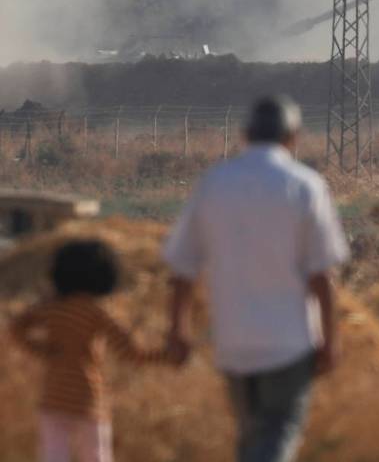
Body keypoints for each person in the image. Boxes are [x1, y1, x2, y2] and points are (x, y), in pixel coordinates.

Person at [164, 95, 349, 462]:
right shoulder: (305, 186)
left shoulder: (214, 184)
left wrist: (177, 331)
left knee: (251, 440)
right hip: (290, 345)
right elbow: (321, 276)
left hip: (233, 343)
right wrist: (330, 340)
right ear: (293, 137)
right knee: (278, 436)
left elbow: (182, 269)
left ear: (244, 134)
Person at [10, 238, 177, 462]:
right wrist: (167, 355)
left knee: (53, 455)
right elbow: (130, 353)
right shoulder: (97, 313)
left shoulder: (51, 309)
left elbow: (16, 327)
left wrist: (42, 351)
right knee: (96, 456)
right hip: (88, 401)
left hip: (53, 397)